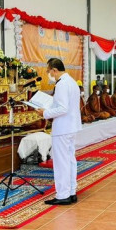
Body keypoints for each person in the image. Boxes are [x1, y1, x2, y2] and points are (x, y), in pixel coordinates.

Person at [36, 58, 82, 205]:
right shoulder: (72, 82)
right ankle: (71, 192)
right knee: (69, 160)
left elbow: (62, 108)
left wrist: (44, 113)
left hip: (63, 128)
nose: (49, 74)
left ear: (54, 70)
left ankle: (63, 195)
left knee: (62, 162)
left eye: (49, 71)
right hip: (71, 127)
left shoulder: (62, 84)